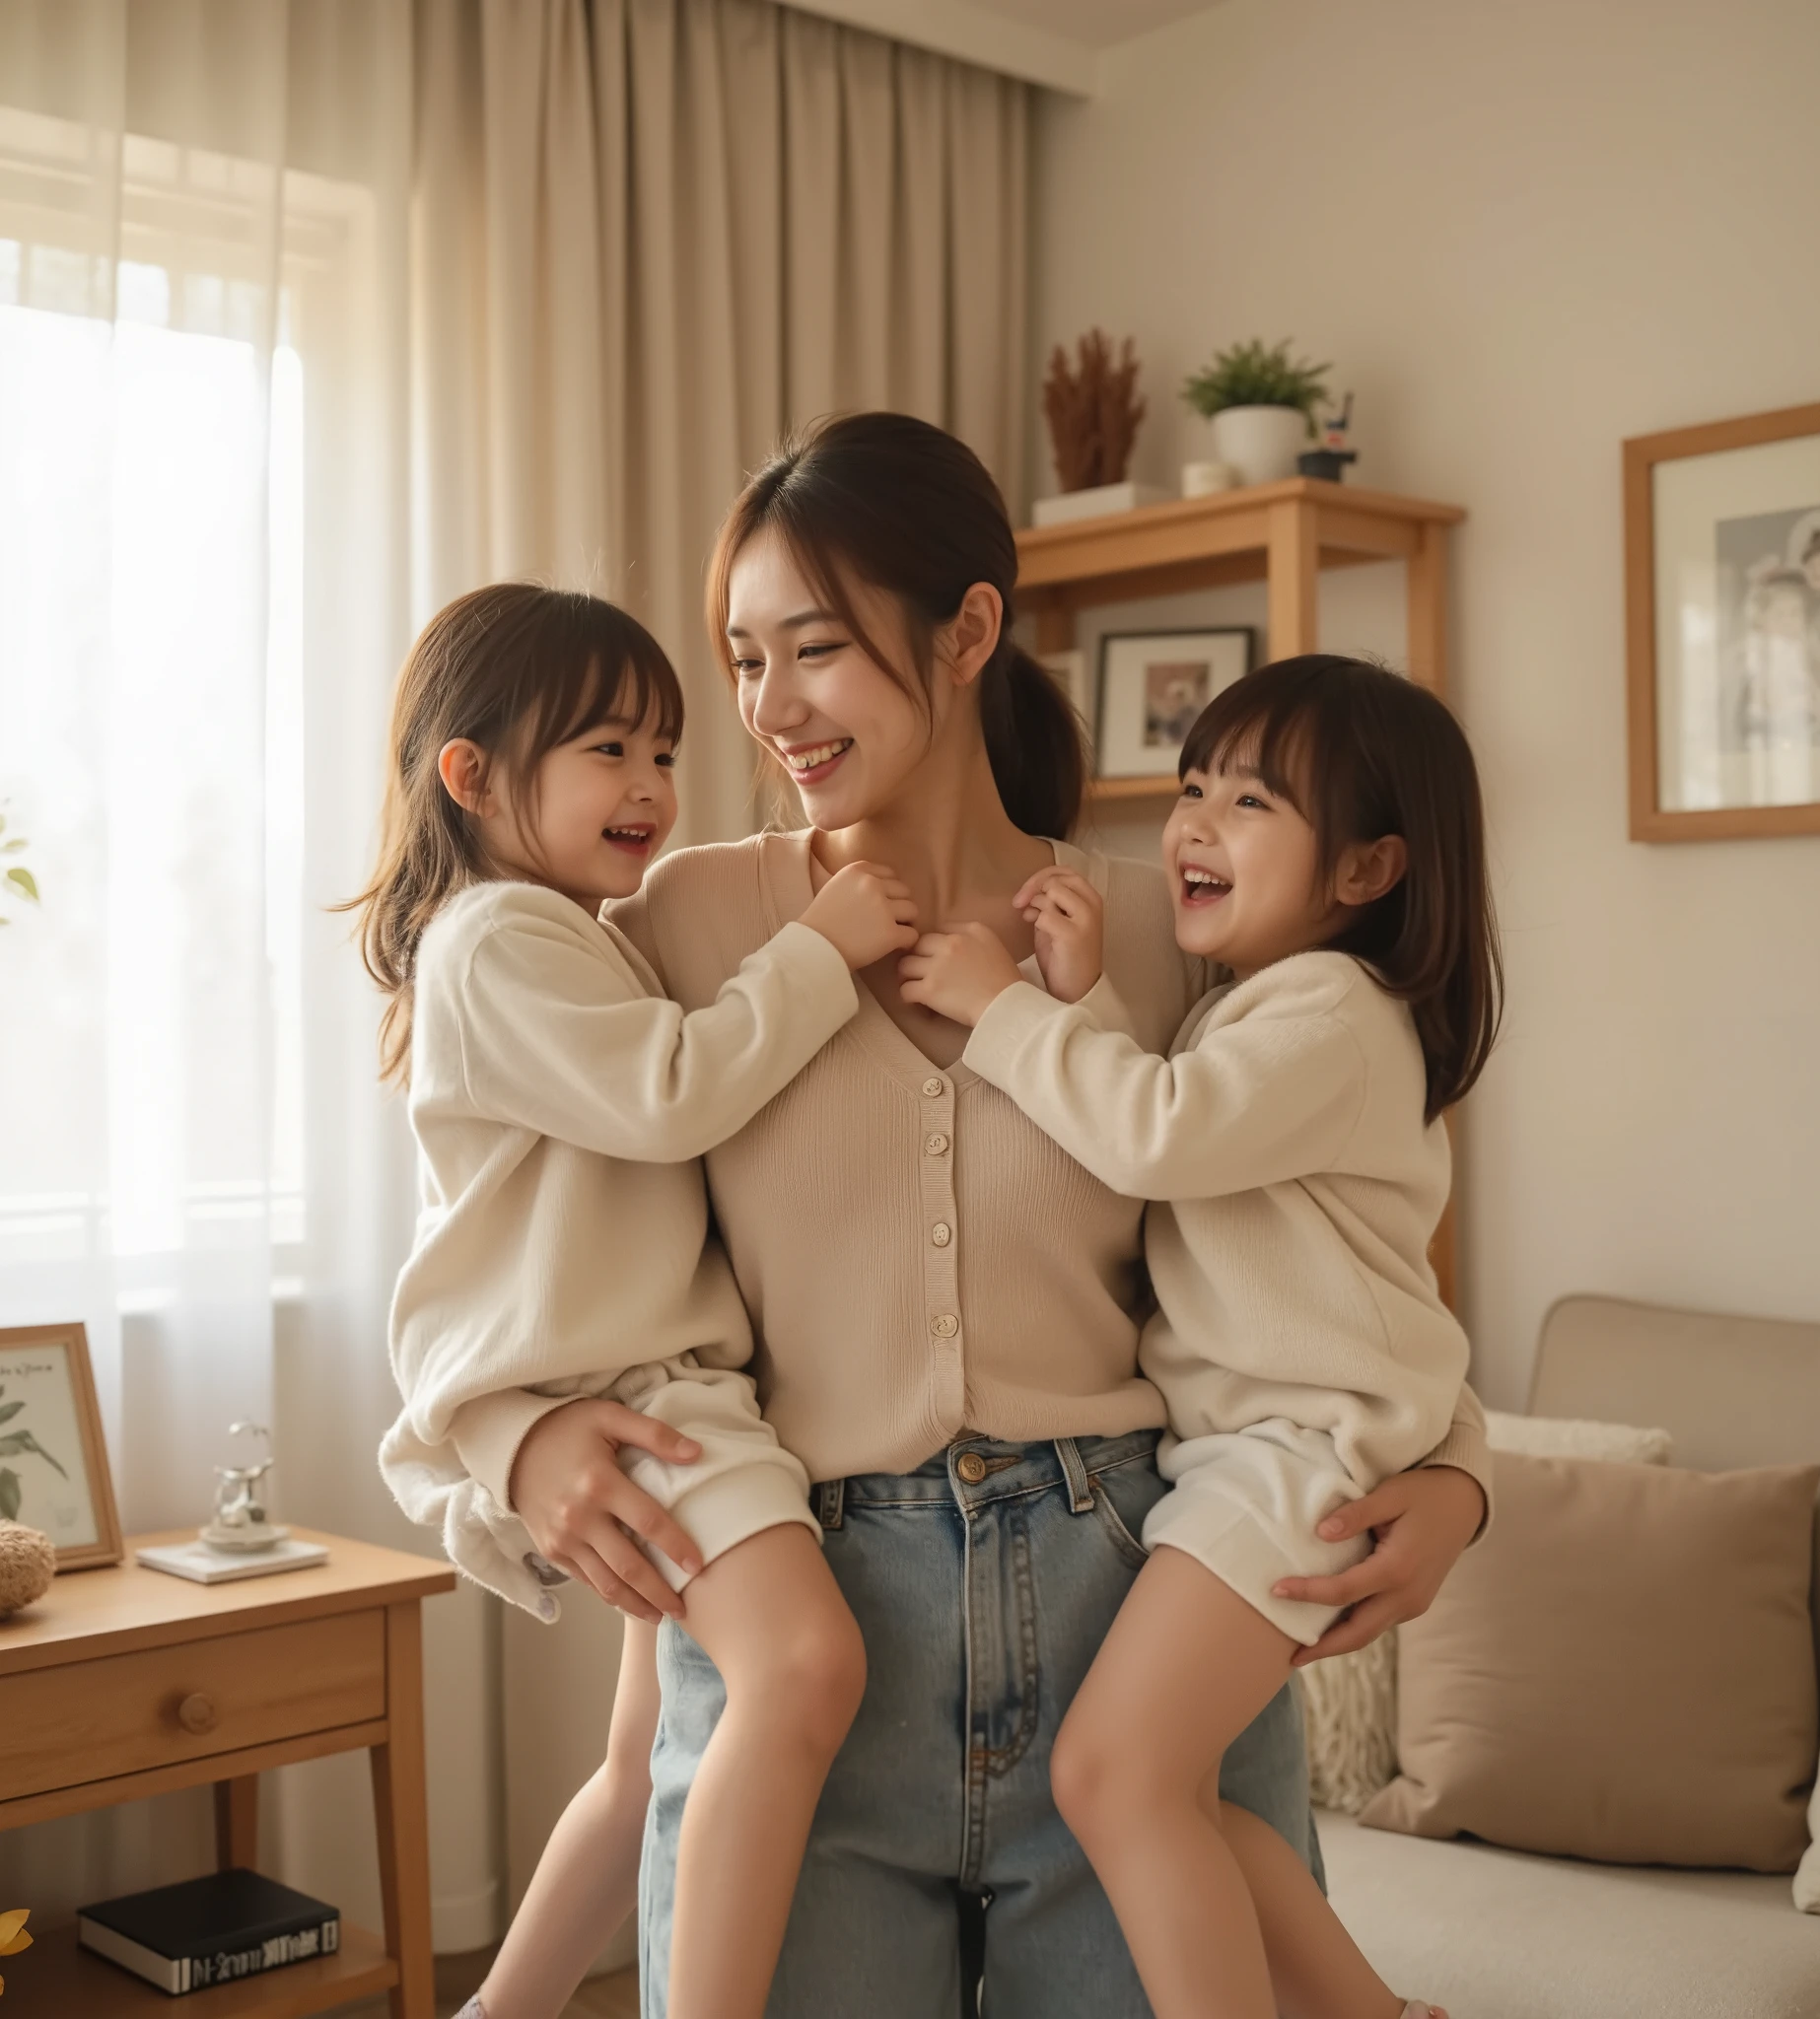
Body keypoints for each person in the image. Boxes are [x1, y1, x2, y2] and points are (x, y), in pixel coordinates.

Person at [505, 413, 1496, 2019]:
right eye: (743, 660)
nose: (769, 709)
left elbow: (1336, 1250)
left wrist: (1457, 1469)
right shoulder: (688, 917)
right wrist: (515, 1441)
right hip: (815, 1638)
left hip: (1133, 1601)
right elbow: (514, 1198)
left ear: (967, 631)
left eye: (812, 649)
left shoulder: (1168, 937)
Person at [901, 654, 1501, 2018]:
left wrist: (1005, 1008)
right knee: (1178, 1798)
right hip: (1261, 1455)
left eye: (1248, 801)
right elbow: (1176, 1127)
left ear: (1365, 871)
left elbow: (1163, 1133)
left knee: (1113, 1777)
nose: (1192, 825)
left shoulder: (1336, 1011)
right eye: (1188, 788)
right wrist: (1081, 1001)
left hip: (1302, 1454)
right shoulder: (1265, 1007)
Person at [354, 584, 921, 2019]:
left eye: (665, 751)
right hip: (634, 1394)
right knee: (804, 1661)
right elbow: (670, 1095)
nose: (654, 787)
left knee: (644, 1760)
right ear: (470, 776)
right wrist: (822, 948)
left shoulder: (553, 933)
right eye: (609, 750)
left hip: (621, 1381)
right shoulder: (494, 938)